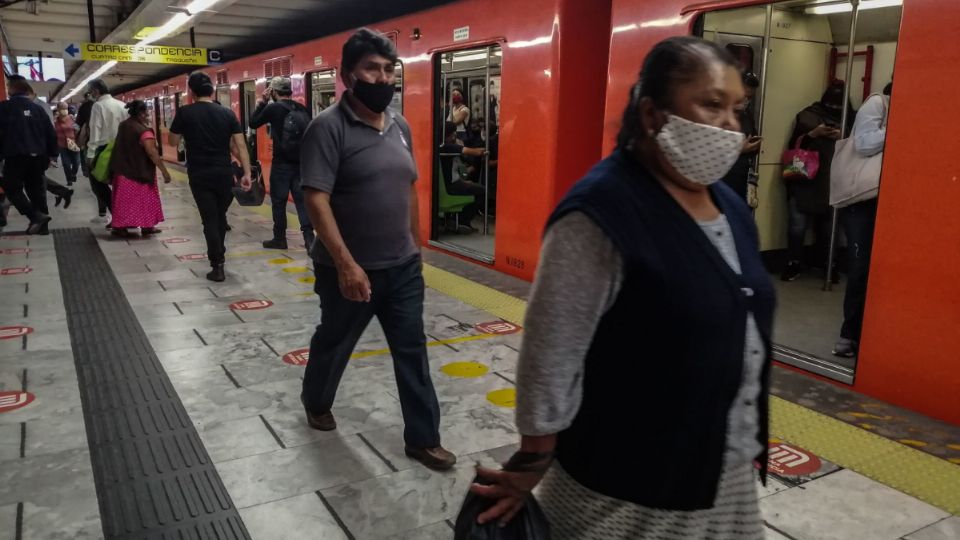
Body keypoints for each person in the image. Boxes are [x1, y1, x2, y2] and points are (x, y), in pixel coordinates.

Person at [469, 37, 776, 539]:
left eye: (736, 109)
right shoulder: (600, 214)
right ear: (654, 115)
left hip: (723, 476)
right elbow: (552, 353)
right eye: (712, 104)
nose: (730, 126)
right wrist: (532, 459)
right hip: (625, 489)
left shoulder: (730, 206)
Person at [299, 28, 454, 471]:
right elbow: (316, 199)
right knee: (335, 341)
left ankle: (423, 439)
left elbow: (409, 188)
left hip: (401, 267)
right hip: (348, 271)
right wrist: (347, 265)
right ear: (349, 74)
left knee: (412, 351)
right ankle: (316, 399)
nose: (383, 78)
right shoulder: (326, 128)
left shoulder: (400, 125)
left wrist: (417, 248)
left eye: (389, 69)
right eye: (372, 68)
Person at [169, 72, 252, 282]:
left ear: (192, 91)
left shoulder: (185, 113)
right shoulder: (227, 113)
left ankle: (217, 265)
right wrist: (248, 172)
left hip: (199, 174)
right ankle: (219, 254)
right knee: (219, 217)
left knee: (210, 220)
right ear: (212, 90)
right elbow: (239, 146)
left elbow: (171, 142)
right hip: (224, 174)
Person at [833, 82, 891, 359]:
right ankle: (848, 334)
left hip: (888, 200)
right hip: (861, 200)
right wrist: (896, 127)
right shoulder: (878, 104)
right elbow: (865, 144)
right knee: (860, 265)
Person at [782, 80, 851, 282]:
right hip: (804, 177)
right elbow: (795, 144)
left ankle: (829, 264)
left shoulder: (850, 119)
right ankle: (793, 262)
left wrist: (844, 136)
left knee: (830, 228)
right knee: (797, 227)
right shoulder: (808, 116)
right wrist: (813, 134)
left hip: (832, 179)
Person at [248, 76, 315, 250]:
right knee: (302, 202)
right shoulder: (302, 108)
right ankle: (309, 240)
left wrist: (262, 102)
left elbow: (253, 123)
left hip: (281, 164)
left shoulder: (274, 108)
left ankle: (280, 239)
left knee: (279, 202)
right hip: (301, 164)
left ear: (274, 92)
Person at [7, 75, 74, 212]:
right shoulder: (35, 107)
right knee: (35, 183)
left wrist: (51, 155)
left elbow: (49, 130)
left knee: (33, 186)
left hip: (35, 152)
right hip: (35, 152)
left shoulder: (39, 107)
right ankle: (61, 193)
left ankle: (40, 215)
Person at [0, 77, 57, 234]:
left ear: (11, 89)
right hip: (38, 156)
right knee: (37, 191)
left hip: (16, 155)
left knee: (11, 188)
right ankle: (43, 228)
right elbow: (50, 133)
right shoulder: (38, 109)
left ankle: (35, 216)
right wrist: (52, 155)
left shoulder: (4, 108)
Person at [107, 100, 171, 237]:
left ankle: (120, 227)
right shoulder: (143, 130)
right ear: (141, 114)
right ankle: (147, 226)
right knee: (144, 201)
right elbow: (151, 152)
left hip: (122, 172)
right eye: (147, 114)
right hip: (139, 173)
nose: (148, 116)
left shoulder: (123, 125)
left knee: (124, 202)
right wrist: (165, 172)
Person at [86, 79, 127, 224]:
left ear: (96, 91)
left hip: (104, 150)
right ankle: (124, 215)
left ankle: (117, 215)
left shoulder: (98, 106)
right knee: (119, 184)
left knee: (97, 183)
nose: (90, 95)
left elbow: (95, 131)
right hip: (122, 149)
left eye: (90, 92)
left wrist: (90, 154)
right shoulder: (122, 105)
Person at [720, 71, 761, 202]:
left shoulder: (746, 114)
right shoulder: (719, 114)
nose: (746, 100)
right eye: (744, 96)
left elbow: (751, 134)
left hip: (741, 175)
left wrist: (754, 145)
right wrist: (738, 149)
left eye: (750, 98)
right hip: (723, 179)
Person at [439, 121, 486, 230]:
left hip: (452, 182)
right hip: (451, 185)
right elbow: (474, 152)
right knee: (482, 191)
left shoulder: (441, 145)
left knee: (472, 186)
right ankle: (462, 220)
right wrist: (485, 148)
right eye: (453, 133)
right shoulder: (447, 147)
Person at [54, 102, 81, 187]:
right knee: (66, 163)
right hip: (62, 145)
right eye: (62, 108)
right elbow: (53, 132)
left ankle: (73, 174)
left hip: (73, 143)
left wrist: (77, 138)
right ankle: (69, 179)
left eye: (66, 108)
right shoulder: (55, 121)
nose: (64, 110)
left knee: (76, 162)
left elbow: (77, 129)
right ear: (58, 109)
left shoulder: (72, 118)